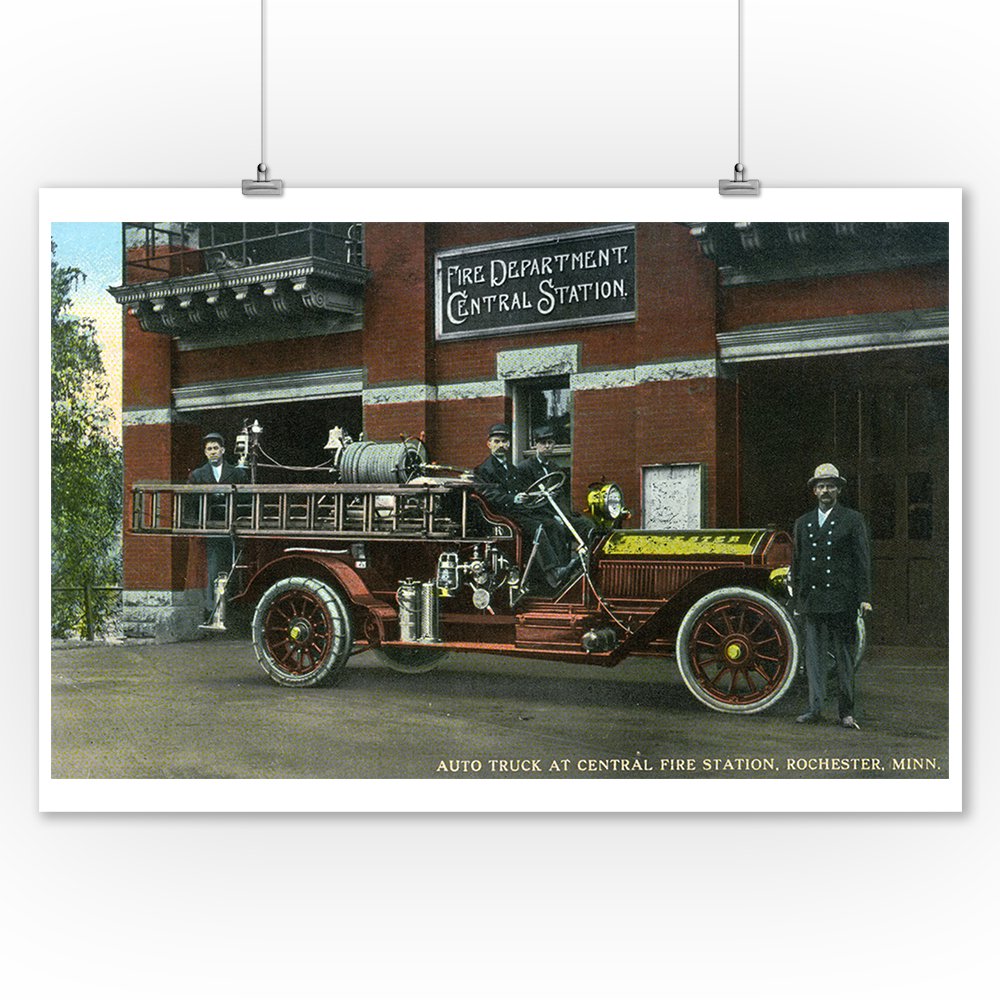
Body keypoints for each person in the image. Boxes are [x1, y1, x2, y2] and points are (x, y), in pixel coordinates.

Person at [790, 463, 873, 729]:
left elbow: (862, 562)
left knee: (844, 658)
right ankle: (814, 709)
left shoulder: (852, 519)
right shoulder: (802, 523)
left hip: (842, 600)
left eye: (831, 486)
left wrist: (864, 596)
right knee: (813, 659)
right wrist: (798, 600)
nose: (826, 490)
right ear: (814, 491)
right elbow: (798, 563)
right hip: (813, 602)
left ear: (838, 490)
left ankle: (846, 713)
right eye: (821, 486)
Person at [474, 423, 577, 591]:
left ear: (509, 444)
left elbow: (523, 490)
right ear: (489, 444)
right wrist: (513, 498)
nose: (501, 445)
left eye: (504, 441)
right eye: (497, 441)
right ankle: (551, 573)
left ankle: (563, 569)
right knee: (538, 527)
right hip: (501, 514)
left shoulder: (512, 469)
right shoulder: (483, 470)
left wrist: (532, 497)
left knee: (552, 523)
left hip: (519, 511)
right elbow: (489, 495)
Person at [187, 432, 248, 618]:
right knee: (213, 568)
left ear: (223, 450)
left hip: (232, 528)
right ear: (205, 453)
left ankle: (233, 609)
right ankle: (214, 611)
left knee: (233, 567)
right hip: (212, 528)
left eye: (215, 448)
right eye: (209, 449)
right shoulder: (197, 475)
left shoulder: (237, 473)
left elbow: (246, 499)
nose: (212, 452)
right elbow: (190, 502)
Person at [515, 424, 594, 545]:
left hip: (558, 513)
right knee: (556, 528)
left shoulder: (555, 468)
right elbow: (527, 500)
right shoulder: (524, 468)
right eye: (543, 443)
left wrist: (565, 516)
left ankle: (587, 559)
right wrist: (554, 517)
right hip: (539, 515)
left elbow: (561, 496)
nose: (547, 446)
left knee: (586, 525)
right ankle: (560, 564)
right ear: (536, 445)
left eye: (550, 442)